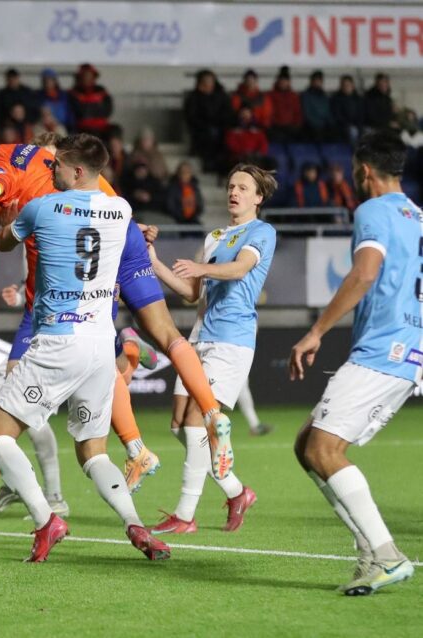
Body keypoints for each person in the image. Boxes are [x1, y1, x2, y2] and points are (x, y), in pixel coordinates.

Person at [0, 137, 236, 482]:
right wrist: (126, 217)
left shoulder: (4, 176)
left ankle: (129, 443)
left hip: (84, 252)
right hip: (119, 229)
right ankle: (211, 413)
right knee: (167, 335)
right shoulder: (22, 161)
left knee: (95, 350)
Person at [0, 133, 171, 562]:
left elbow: (6, 241)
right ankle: (135, 524)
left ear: (78, 170)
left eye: (57, 165)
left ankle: (45, 519)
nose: (50, 169)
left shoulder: (42, 207)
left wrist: (8, 221)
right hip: (101, 347)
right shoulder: (121, 210)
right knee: (93, 452)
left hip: (57, 341)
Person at [290, 131, 419, 596]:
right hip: (407, 348)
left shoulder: (373, 211)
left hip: (384, 349)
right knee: (307, 445)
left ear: (364, 171)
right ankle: (369, 550)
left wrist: (316, 331)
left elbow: (364, 273)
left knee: (325, 449)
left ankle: (386, 554)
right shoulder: (417, 216)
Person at [147, 164, 278, 534]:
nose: (233, 192)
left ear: (258, 197)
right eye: (231, 185)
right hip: (198, 339)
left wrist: (200, 268)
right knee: (180, 425)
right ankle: (236, 491)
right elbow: (192, 292)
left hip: (231, 341)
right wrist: (154, 262)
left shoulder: (262, 232)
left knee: (196, 422)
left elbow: (239, 269)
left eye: (243, 187)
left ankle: (185, 515)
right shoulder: (215, 236)